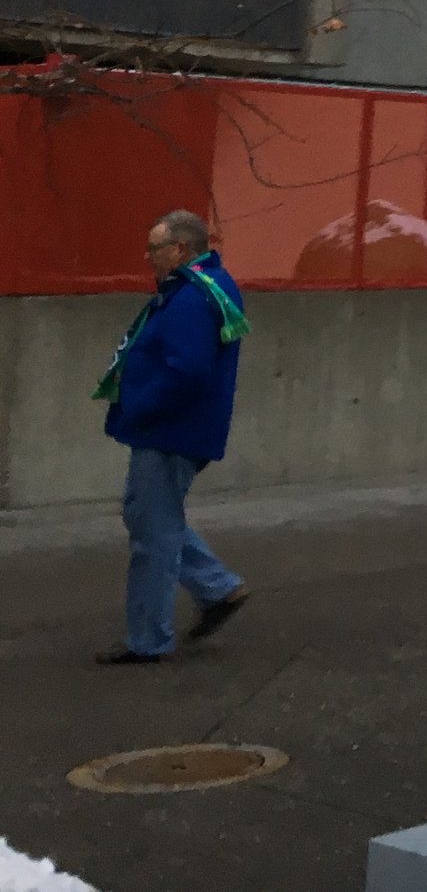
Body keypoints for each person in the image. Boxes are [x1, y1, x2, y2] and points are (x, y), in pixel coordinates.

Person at [94, 211, 251, 664]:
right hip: (176, 427)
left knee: (153, 532)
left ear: (180, 249)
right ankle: (217, 588)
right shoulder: (201, 288)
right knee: (147, 516)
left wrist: (141, 406)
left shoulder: (191, 298)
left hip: (168, 429)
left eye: (154, 249)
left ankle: (148, 639)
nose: (148, 257)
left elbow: (187, 370)